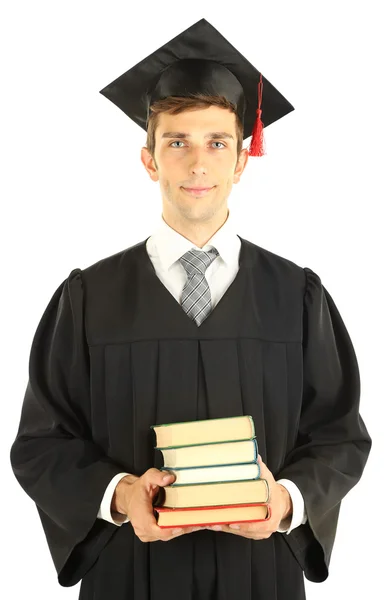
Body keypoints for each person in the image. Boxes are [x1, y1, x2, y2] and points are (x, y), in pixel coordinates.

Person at [10, 18, 371, 600]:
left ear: (241, 160)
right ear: (150, 160)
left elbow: (339, 435)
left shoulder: (297, 296)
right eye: (177, 142)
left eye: (217, 143)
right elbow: (42, 443)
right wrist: (121, 494)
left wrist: (285, 501)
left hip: (262, 579)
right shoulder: (88, 297)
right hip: (129, 577)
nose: (197, 164)